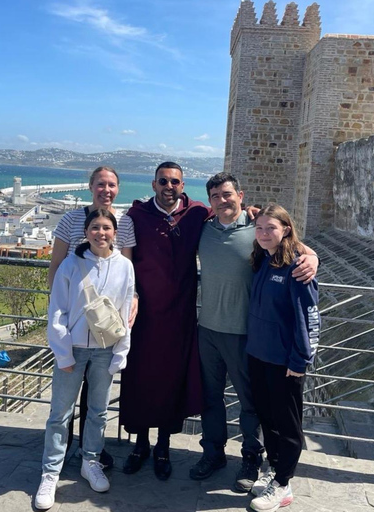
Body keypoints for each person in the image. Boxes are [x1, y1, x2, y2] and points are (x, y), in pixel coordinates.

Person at [190, 173, 319, 493]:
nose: (223, 200)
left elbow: (292, 244)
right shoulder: (204, 229)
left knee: (251, 403)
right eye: (216, 195)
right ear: (210, 201)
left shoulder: (256, 228)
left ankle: (251, 458)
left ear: (240, 195)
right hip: (207, 329)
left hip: (246, 335)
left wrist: (313, 257)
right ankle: (213, 453)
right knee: (211, 399)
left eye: (227, 193)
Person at [34, 208, 136, 510]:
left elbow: (124, 313)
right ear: (86, 232)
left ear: (115, 233)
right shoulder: (70, 264)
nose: (100, 233)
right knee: (60, 413)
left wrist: (121, 351)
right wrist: (63, 352)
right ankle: (50, 472)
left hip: (105, 349)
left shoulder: (125, 267)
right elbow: (57, 311)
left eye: (106, 228)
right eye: (95, 227)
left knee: (99, 411)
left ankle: (90, 460)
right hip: (73, 349)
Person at [119, 161, 209, 481]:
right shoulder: (136, 216)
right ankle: (140, 444)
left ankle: (163, 446)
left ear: (182, 186)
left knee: (172, 381)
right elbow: (117, 258)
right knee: (141, 379)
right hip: (143, 317)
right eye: (163, 181)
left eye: (175, 182)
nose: (169, 187)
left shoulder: (197, 213)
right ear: (154, 184)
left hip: (179, 319)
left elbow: (233, 219)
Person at [46, 166, 136, 470]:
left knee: (96, 400)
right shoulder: (70, 219)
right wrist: (57, 316)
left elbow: (125, 270)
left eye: (111, 185)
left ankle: (90, 451)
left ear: (118, 189)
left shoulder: (125, 222)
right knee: (66, 397)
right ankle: (62, 451)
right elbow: (56, 267)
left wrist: (132, 301)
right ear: (90, 186)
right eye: (101, 184)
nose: (106, 190)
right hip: (74, 320)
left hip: (104, 327)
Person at [245, 203, 320, 512]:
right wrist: (258, 214)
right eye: (259, 228)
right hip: (258, 354)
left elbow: (309, 316)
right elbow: (258, 217)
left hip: (284, 361)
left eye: (271, 228)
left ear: (286, 230)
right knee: (268, 418)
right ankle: (276, 472)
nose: (263, 233)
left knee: (288, 425)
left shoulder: (298, 267)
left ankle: (285, 484)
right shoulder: (262, 258)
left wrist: (300, 360)